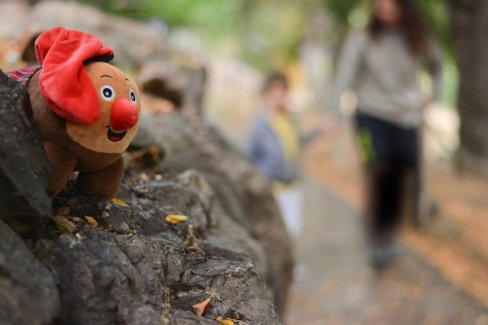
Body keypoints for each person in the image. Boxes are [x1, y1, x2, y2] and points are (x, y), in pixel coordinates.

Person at [329, 0, 442, 268]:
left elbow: (437, 67)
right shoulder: (363, 37)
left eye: (391, 5)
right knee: (378, 173)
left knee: (400, 181)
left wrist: (433, 96)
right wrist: (333, 113)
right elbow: (344, 75)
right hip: (370, 117)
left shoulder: (419, 37)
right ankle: (378, 240)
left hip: (406, 119)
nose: (385, 9)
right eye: (380, 4)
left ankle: (390, 235)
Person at [247, 72, 321, 239]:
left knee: (293, 231)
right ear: (266, 94)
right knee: (274, 234)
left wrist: (319, 132)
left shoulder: (289, 120)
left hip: (292, 187)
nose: (279, 96)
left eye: (282, 91)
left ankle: (292, 265)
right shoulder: (260, 125)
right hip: (273, 189)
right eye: (274, 91)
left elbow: (296, 144)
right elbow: (250, 156)